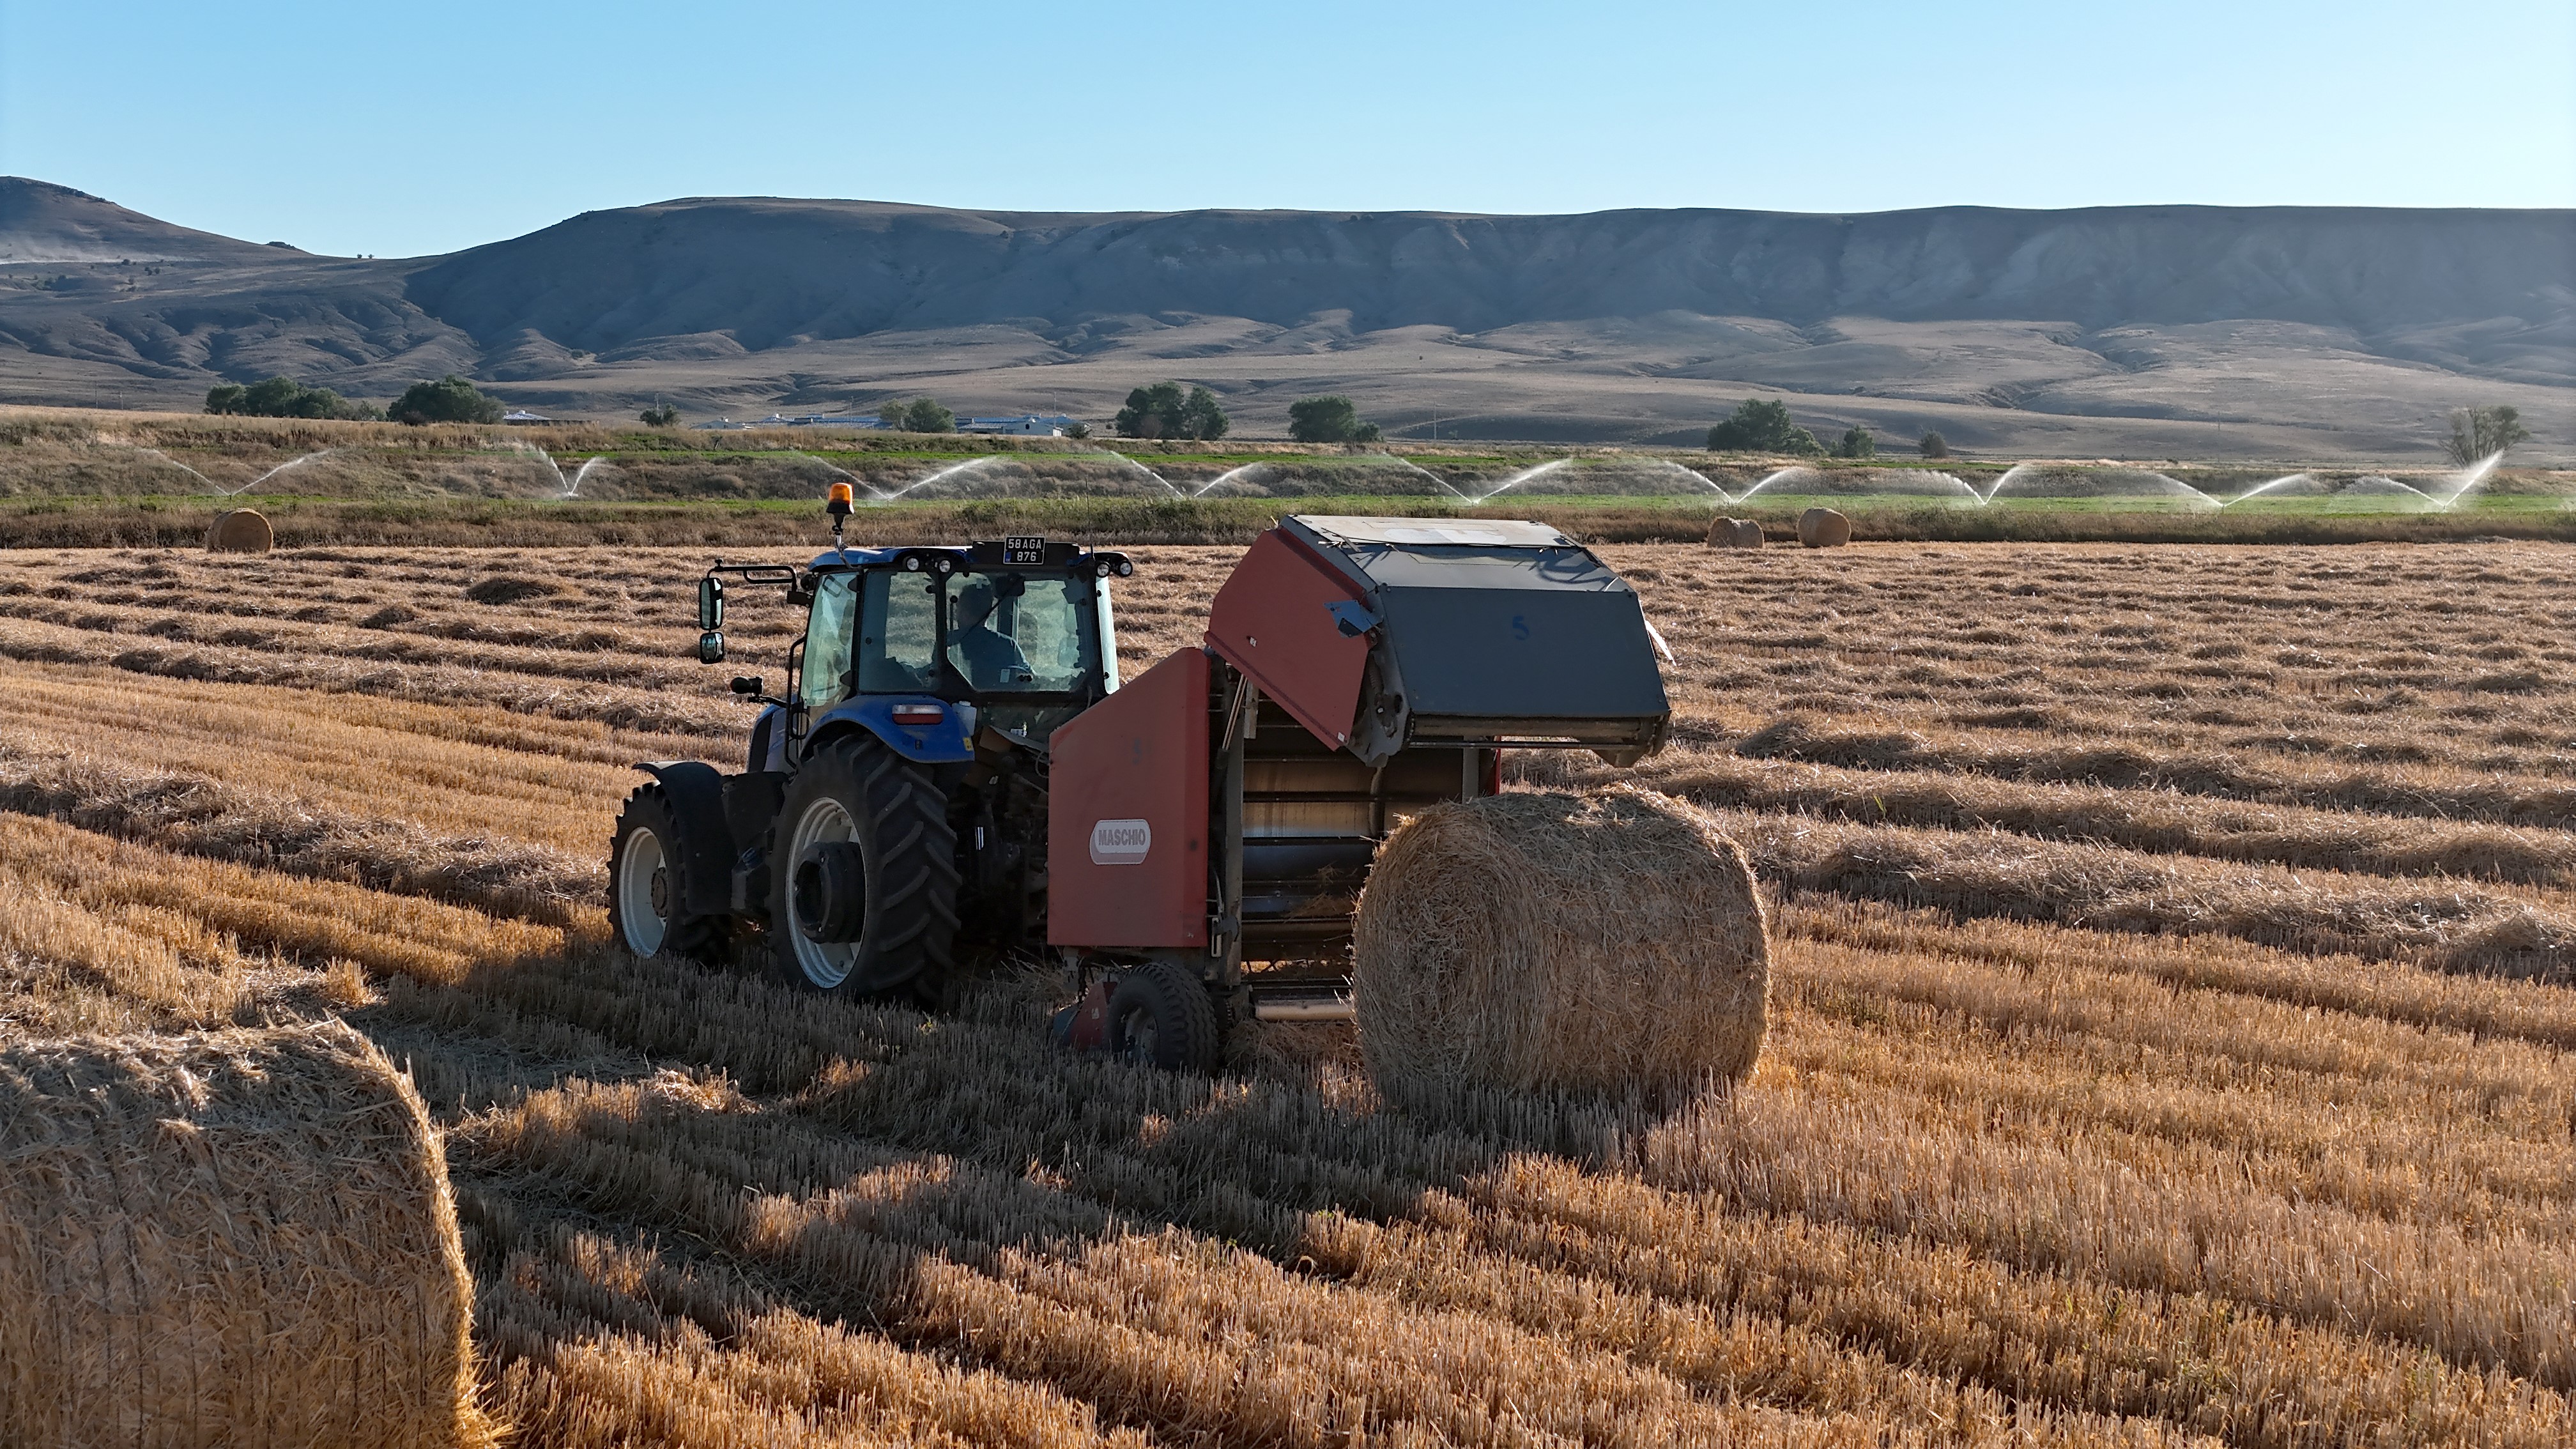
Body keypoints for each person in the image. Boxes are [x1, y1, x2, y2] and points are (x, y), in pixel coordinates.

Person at [949, 578, 1034, 688]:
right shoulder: (1008, 645)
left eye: (957, 610)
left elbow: (935, 674)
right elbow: (1030, 677)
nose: (956, 615)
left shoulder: (949, 642)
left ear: (964, 614)